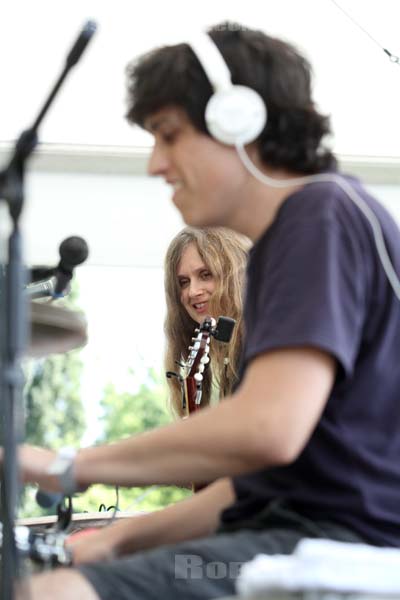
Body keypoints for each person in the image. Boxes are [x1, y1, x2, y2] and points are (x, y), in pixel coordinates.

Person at [14, 21, 400, 600]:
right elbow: (257, 484)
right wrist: (121, 538)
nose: (154, 164)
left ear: (236, 120)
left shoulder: (318, 217)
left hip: (327, 549)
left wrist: (65, 464)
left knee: (51, 594)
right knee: (69, 573)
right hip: (287, 539)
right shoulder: (312, 227)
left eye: (168, 135)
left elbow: (266, 431)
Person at [164, 226, 250, 417]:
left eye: (206, 275)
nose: (193, 291)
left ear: (238, 278)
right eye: (184, 282)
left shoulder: (267, 349)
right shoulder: (231, 362)